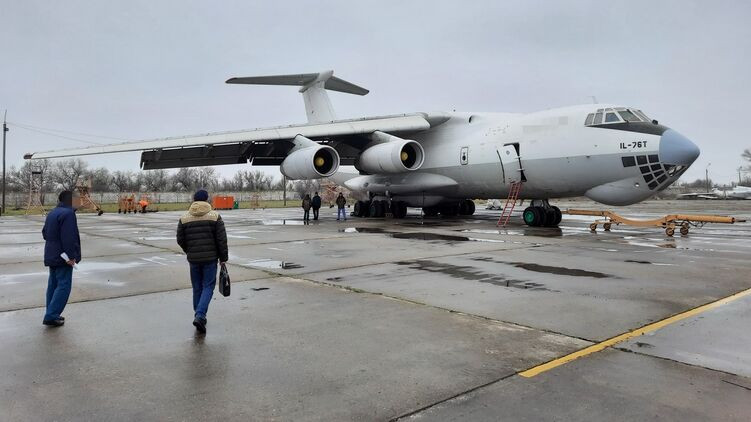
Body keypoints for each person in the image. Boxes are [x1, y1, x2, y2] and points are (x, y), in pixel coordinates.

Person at [176, 189, 228, 334]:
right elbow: (221, 240)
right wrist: (223, 258)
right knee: (208, 287)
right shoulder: (215, 217)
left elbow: (180, 239)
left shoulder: (184, 218)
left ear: (194, 200)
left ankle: (199, 315)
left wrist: (189, 251)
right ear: (207, 199)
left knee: (197, 287)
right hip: (210, 259)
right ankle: (200, 315)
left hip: (193, 259)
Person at [41, 190, 81, 327]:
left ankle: (51, 312)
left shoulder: (53, 212)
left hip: (51, 254)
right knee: (64, 285)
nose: (79, 202)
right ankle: (51, 316)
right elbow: (69, 237)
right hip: (63, 256)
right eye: (77, 199)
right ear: (71, 200)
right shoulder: (68, 214)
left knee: (53, 284)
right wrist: (71, 256)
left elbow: (45, 233)